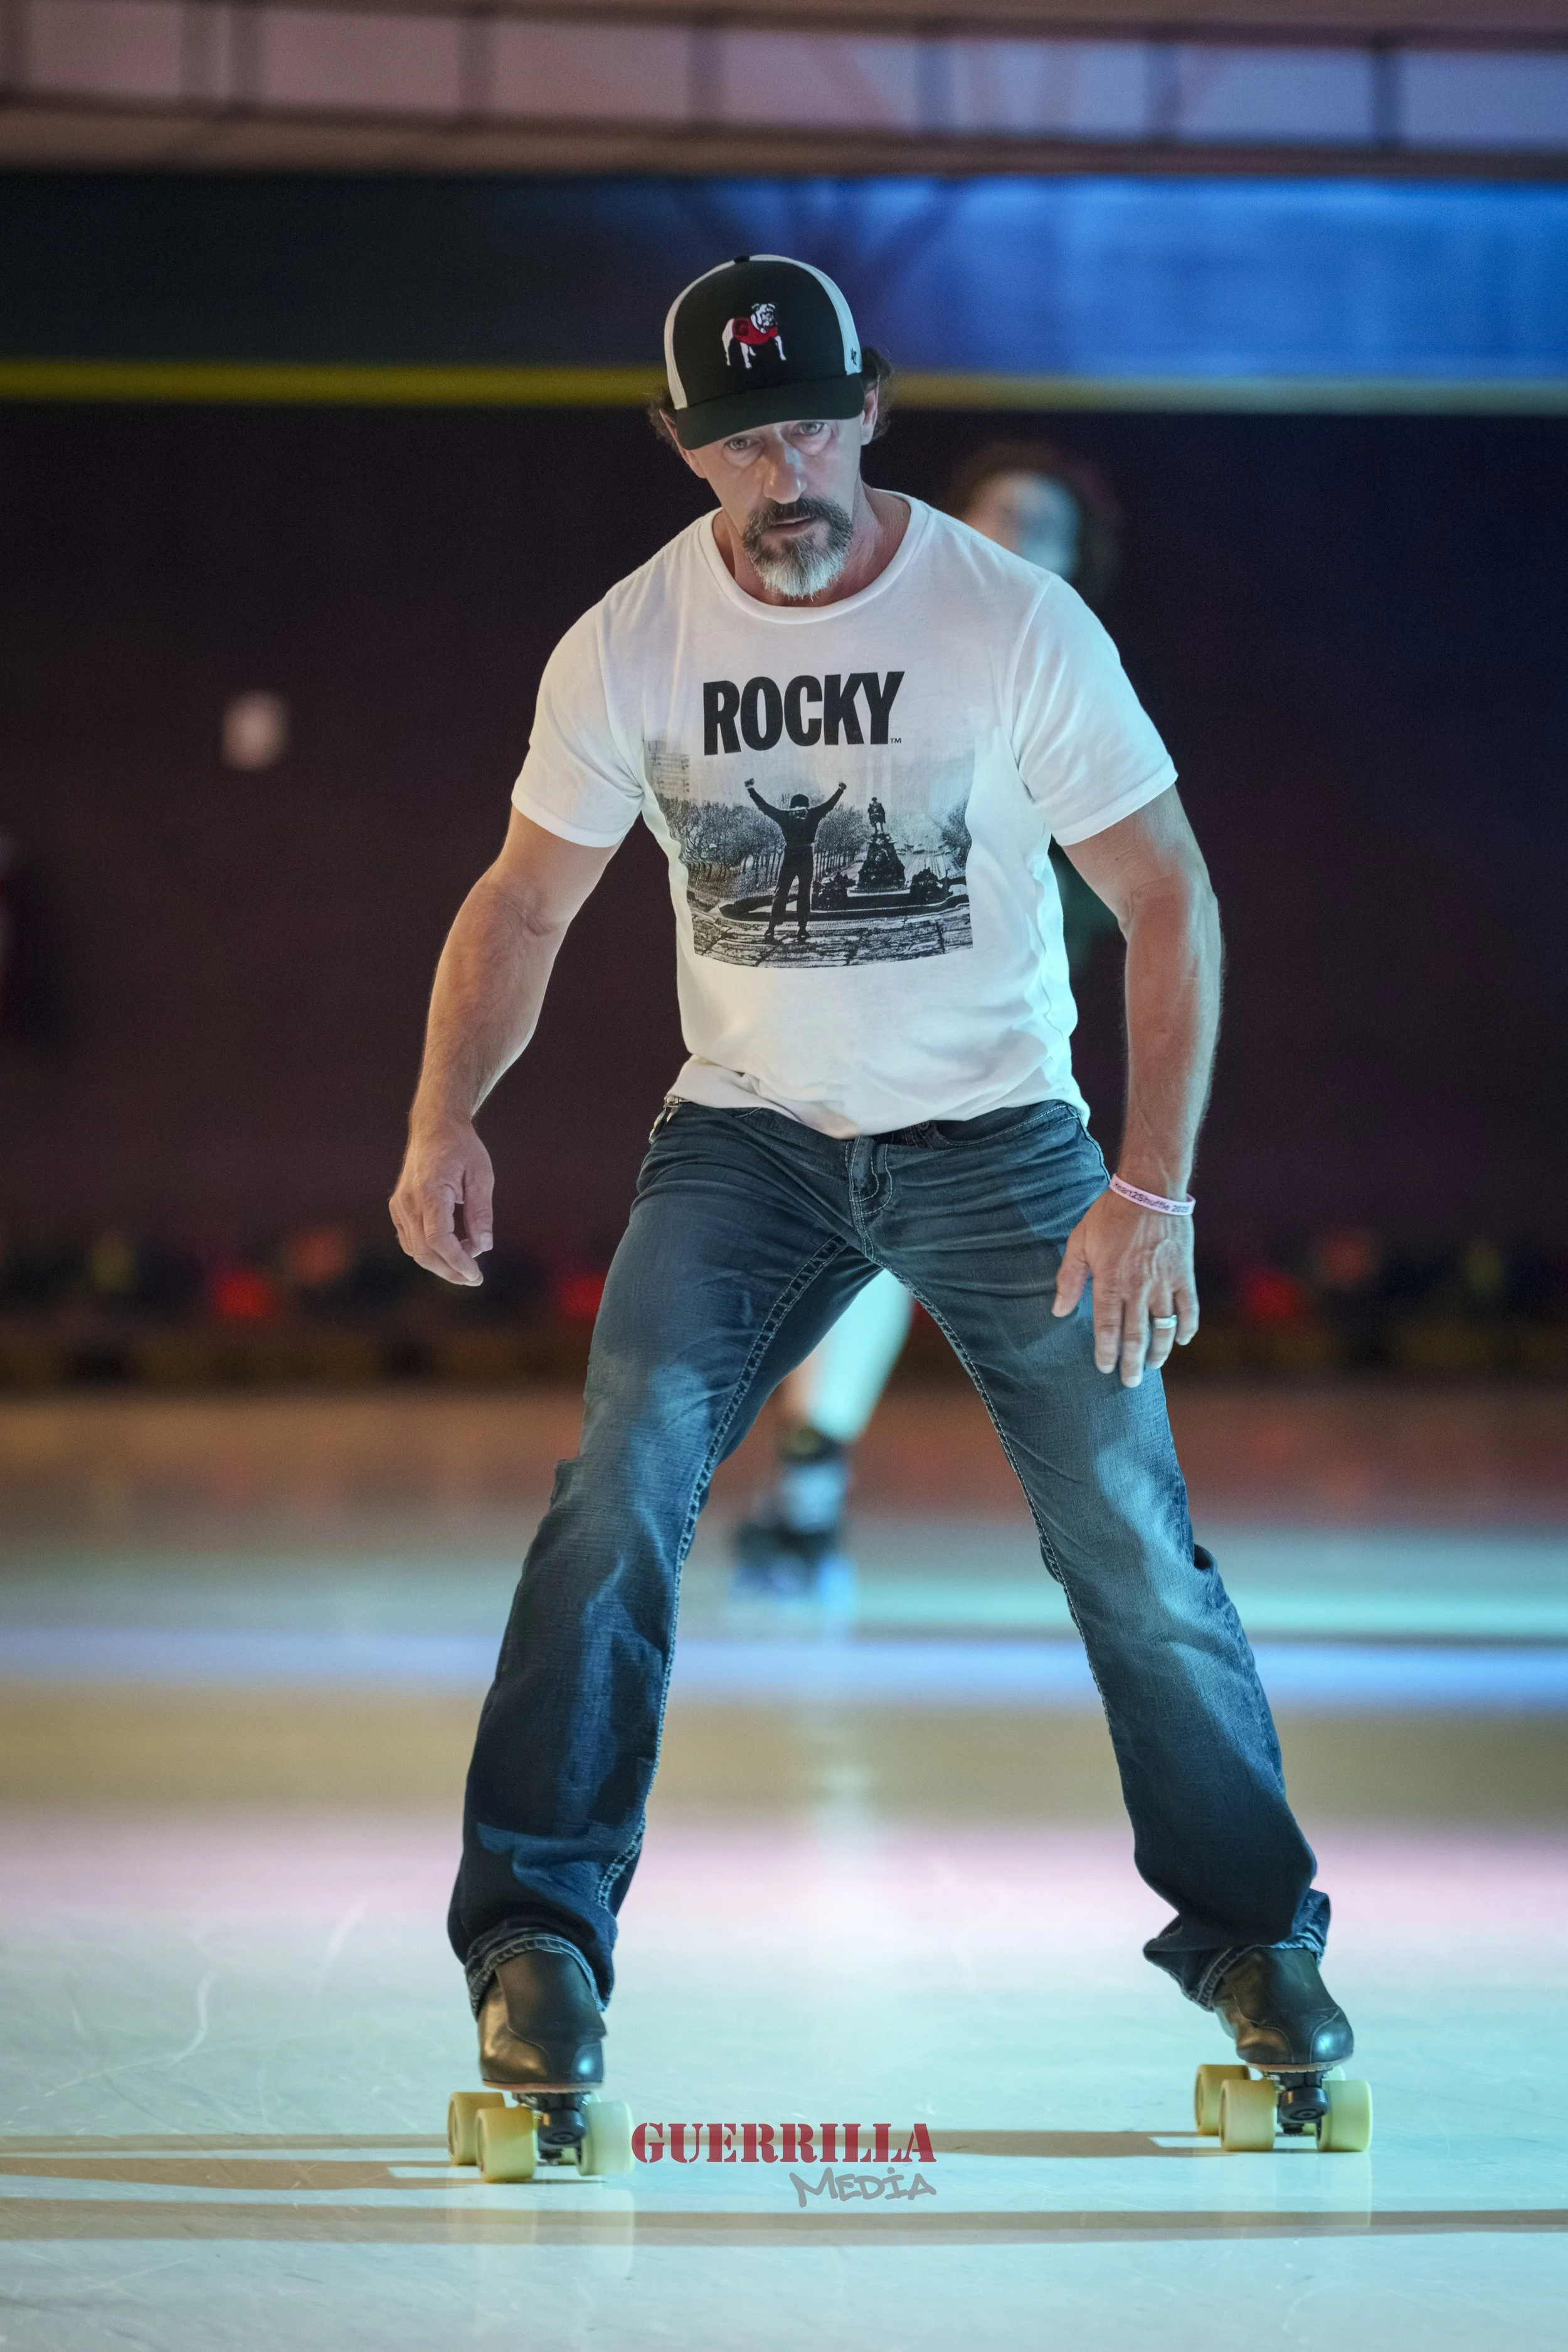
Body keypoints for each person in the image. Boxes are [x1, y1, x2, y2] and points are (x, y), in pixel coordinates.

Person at [391, 253, 1351, 2148]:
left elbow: (1166, 891)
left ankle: (1254, 1935)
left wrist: (1148, 1183)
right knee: (618, 1491)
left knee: (1125, 1532)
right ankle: (537, 1939)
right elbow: (522, 899)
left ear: (870, 411)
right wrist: (442, 1116)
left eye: (814, 429)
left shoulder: (1009, 619)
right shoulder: (626, 644)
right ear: (682, 447)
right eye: (743, 444)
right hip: (746, 1137)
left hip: (999, 1135)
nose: (788, 475)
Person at [733, 439, 1125, 1595]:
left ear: (1075, 563)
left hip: (988, 1044)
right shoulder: (867, 643)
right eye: (1002, 513)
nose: (1021, 538)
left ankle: (1116, 1540)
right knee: (849, 1256)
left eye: (1046, 529)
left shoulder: (1078, 682)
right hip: (838, 1015)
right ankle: (804, 1495)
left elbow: (1126, 883)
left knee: (973, 1266)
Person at [745, 778, 845, 940]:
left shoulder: (785, 816)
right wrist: (840, 790)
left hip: (790, 855)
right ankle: (802, 928)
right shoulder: (812, 814)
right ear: (806, 804)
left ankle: (771, 928)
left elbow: (764, 807)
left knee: (781, 891)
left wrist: (751, 789)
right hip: (807, 855)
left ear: (792, 805)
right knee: (805, 892)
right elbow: (830, 805)